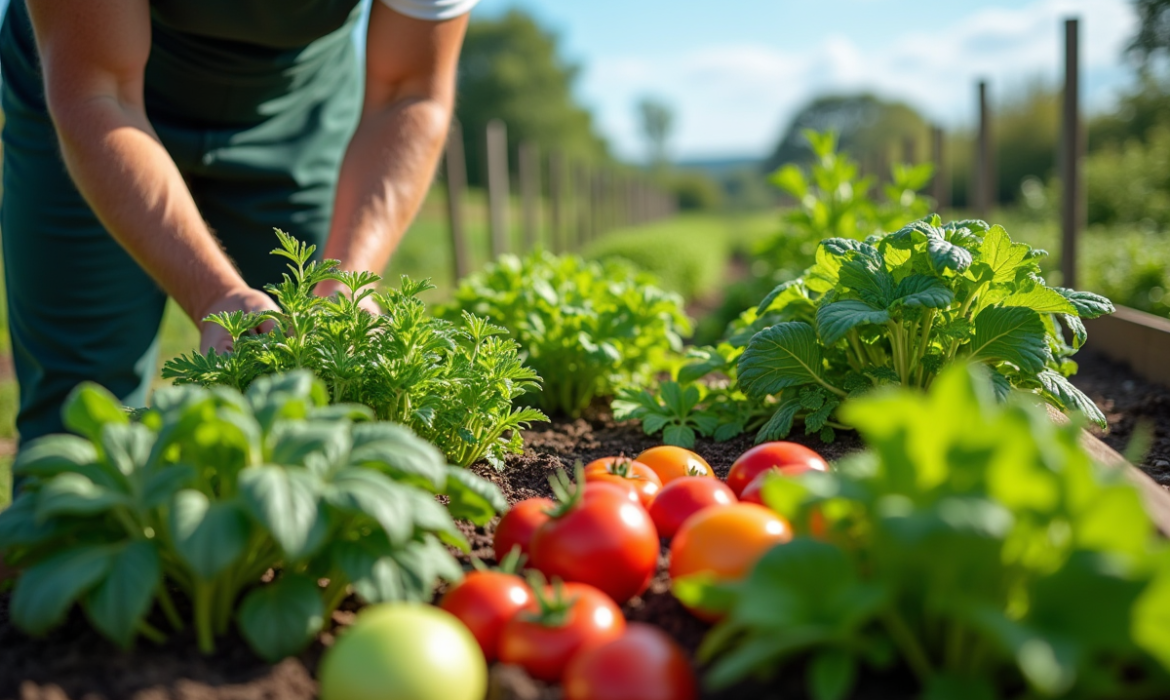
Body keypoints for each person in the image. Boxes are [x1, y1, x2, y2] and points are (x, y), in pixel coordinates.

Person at [0, 0, 475, 470]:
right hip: (90, 88)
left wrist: (346, 282)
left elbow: (408, 90)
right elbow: (99, 90)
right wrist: (216, 295)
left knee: (317, 397)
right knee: (80, 420)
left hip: (295, 116)